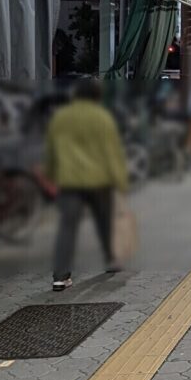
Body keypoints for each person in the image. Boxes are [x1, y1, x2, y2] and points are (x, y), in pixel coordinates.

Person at [45, 78, 128, 291]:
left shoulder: (61, 117)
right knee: (104, 222)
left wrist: (51, 176)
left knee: (67, 227)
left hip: (69, 181)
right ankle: (111, 260)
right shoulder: (102, 117)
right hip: (99, 181)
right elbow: (112, 152)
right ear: (96, 96)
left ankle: (60, 277)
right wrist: (120, 180)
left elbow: (52, 150)